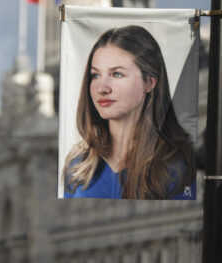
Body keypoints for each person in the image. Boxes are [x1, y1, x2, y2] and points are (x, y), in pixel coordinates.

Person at [63, 25, 196, 200]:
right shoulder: (78, 165)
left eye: (117, 74)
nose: (102, 88)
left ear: (149, 82)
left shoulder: (177, 167)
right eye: (95, 75)